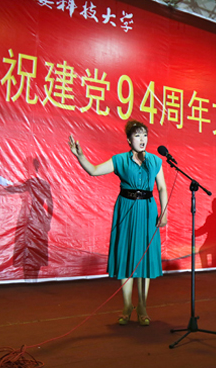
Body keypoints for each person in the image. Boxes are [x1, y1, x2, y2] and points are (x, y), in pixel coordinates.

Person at [68, 120, 168, 326]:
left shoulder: (155, 161)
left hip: (148, 211)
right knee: (127, 256)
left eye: (144, 135)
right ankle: (127, 305)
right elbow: (94, 170)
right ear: (129, 140)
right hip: (126, 208)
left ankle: (142, 306)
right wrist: (80, 156)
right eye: (137, 136)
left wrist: (164, 212)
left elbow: (162, 188)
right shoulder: (120, 160)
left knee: (144, 258)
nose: (142, 139)